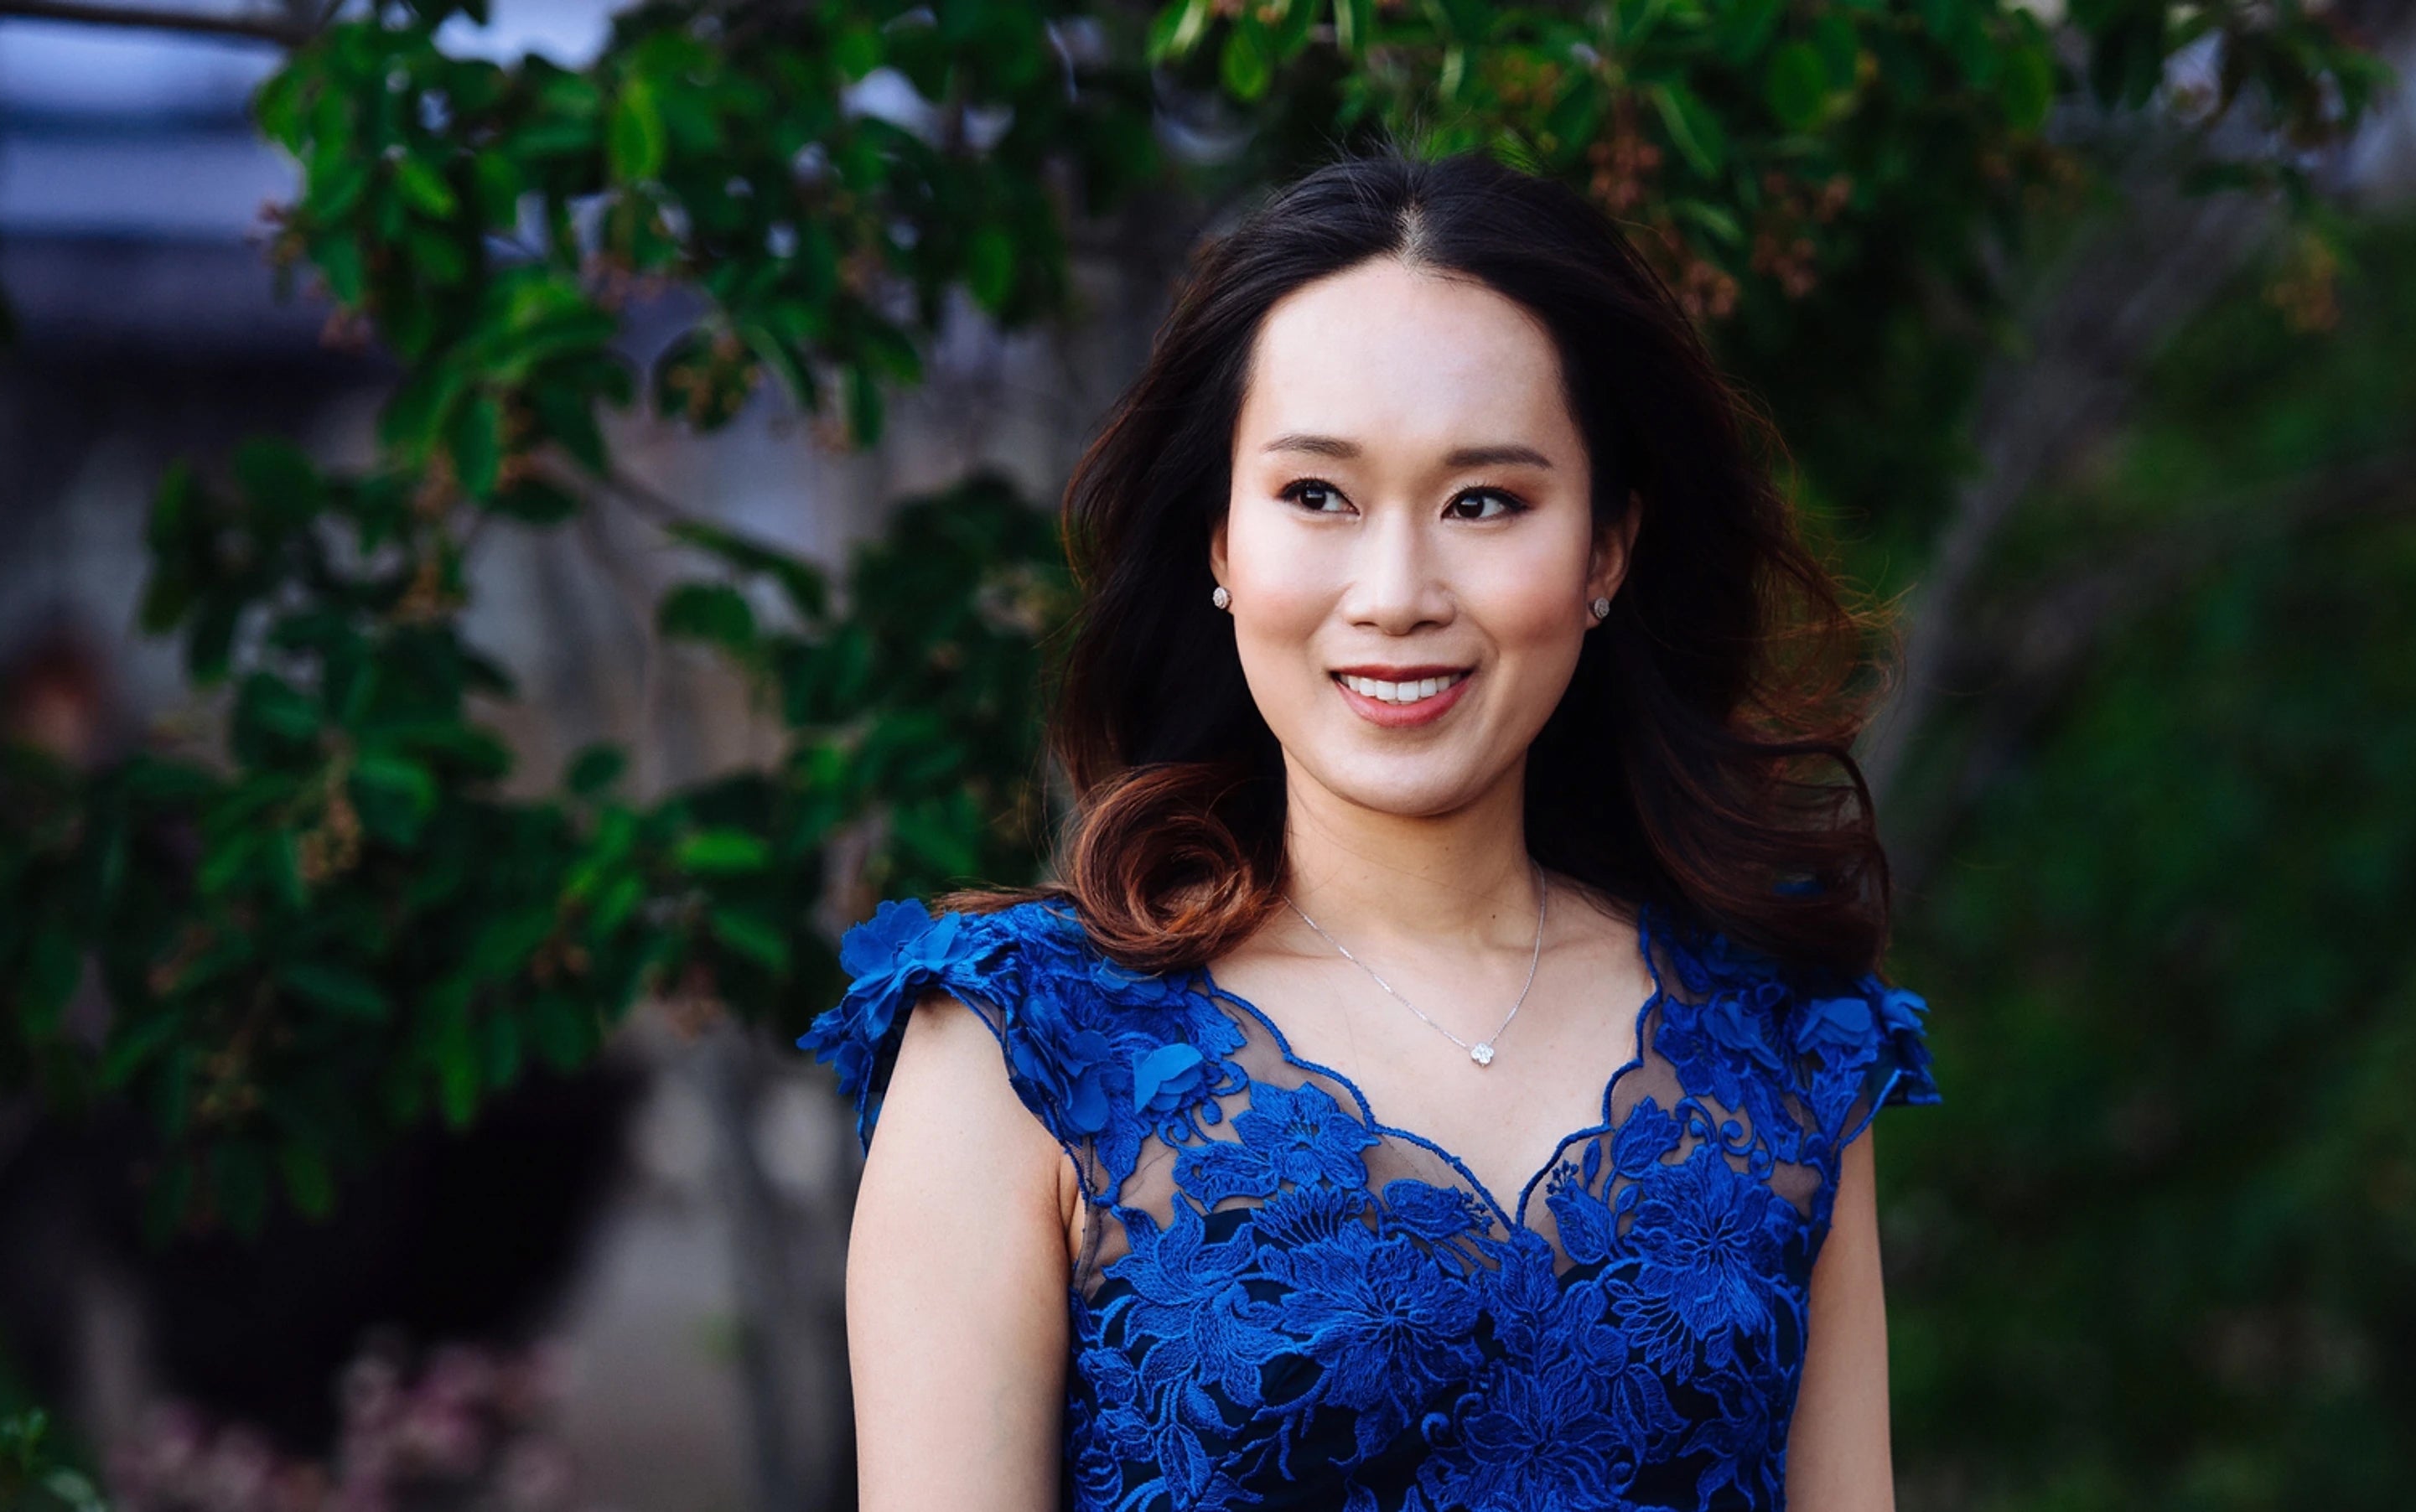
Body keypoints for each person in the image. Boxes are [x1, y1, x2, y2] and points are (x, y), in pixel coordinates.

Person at [801, 151, 1937, 1511]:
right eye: (1317, 496)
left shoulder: (1786, 1048)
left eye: (1485, 503)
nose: (1396, 593)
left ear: (1606, 552)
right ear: (1219, 541)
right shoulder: (1021, 1051)